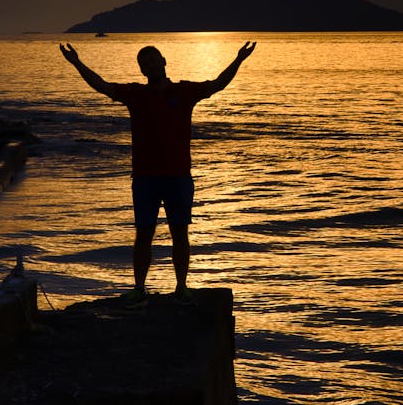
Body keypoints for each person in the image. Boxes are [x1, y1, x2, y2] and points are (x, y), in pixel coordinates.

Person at [59, 41, 256, 306]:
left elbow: (218, 83)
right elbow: (102, 85)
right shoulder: (135, 95)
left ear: (164, 61)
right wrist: (76, 63)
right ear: (141, 70)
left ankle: (181, 287)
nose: (149, 65)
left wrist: (239, 59)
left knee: (180, 233)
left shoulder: (184, 91)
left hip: (178, 176)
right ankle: (139, 288)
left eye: (152, 60)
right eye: (144, 63)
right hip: (145, 178)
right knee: (143, 234)